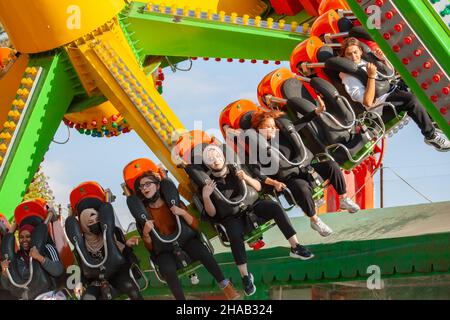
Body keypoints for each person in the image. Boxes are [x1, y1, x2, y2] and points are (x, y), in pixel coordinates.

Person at [201, 144, 314, 296]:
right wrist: (206, 197)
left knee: (274, 207)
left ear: (222, 155)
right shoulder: (208, 184)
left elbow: (258, 187)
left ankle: (295, 246)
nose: (214, 160)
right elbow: (212, 213)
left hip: (252, 206)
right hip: (232, 217)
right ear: (207, 164)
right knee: (233, 234)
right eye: (210, 158)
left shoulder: (236, 169)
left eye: (216, 155)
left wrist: (245, 177)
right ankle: (246, 277)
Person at [245, 104, 360, 237]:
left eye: (273, 125)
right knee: (302, 187)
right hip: (291, 179)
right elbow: (257, 172)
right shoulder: (259, 150)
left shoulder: (283, 134)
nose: (273, 129)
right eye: (268, 127)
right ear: (259, 130)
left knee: (332, 165)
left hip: (305, 168)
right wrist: (274, 183)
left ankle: (344, 199)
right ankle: (315, 220)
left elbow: (301, 123)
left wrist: (316, 111)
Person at [134, 169, 240, 300]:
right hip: (165, 250)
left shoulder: (173, 201)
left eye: (147, 184)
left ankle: (225, 285)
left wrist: (183, 213)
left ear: (157, 185)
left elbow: (195, 225)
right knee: (167, 269)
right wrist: (145, 232)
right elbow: (150, 248)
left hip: (185, 240)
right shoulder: (143, 215)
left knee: (202, 251)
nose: (144, 188)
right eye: (141, 186)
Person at [339, 37, 450, 152]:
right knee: (411, 100)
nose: (353, 57)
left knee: (416, 83)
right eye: (349, 54)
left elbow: (390, 74)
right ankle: (431, 136)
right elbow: (367, 101)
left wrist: (383, 59)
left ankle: (433, 120)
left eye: (355, 52)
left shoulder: (366, 60)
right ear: (344, 56)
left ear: (361, 51)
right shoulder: (348, 76)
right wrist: (371, 76)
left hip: (393, 89)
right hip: (381, 104)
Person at [75, 205, 144, 300]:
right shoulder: (81, 244)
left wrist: (127, 246)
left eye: (98, 220)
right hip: (97, 280)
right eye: (91, 222)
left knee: (129, 285)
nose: (96, 223)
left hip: (116, 273)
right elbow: (83, 267)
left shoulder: (110, 233)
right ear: (84, 225)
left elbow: (122, 256)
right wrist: (80, 283)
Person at [1, 223, 64, 300]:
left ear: (34, 237)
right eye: (21, 237)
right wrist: (5, 273)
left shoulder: (47, 249)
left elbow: (58, 270)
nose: (24, 240)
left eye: (28, 236)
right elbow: (8, 286)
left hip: (51, 294)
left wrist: (40, 258)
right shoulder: (17, 258)